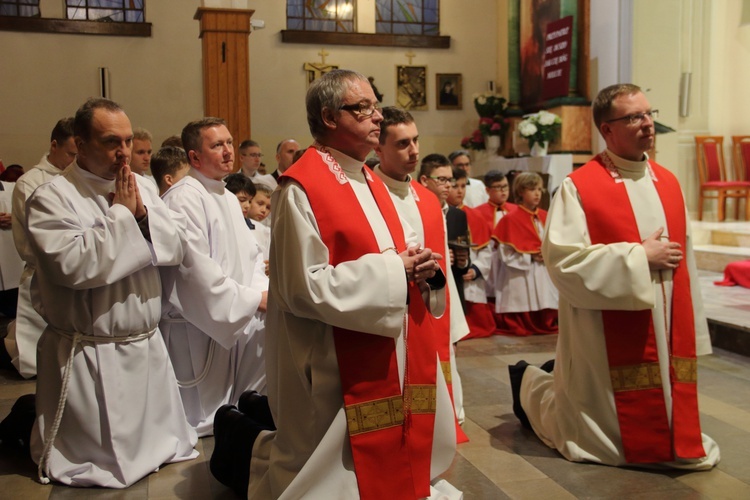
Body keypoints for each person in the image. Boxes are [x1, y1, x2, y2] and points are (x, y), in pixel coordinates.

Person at [211, 69, 460, 499]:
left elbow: (389, 255)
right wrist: (392, 271)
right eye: (362, 108)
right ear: (328, 117)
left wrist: (416, 269)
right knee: (326, 464)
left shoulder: (369, 180)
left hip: (378, 340)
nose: (377, 117)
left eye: (375, 106)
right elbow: (300, 286)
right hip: (327, 352)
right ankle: (240, 439)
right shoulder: (301, 187)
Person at [509, 84, 720, 470]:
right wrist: (639, 257)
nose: (647, 124)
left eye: (649, 114)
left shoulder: (669, 183)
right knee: (599, 419)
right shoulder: (579, 187)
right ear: (607, 130)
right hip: (604, 331)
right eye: (634, 117)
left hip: (666, 322)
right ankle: (528, 383)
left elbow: (684, 261)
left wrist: (696, 331)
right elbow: (563, 262)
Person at [23, 98, 198, 487]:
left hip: (144, 341)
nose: (123, 152)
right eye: (109, 142)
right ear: (80, 145)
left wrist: (140, 215)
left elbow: (176, 245)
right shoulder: (52, 197)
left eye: (127, 140)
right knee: (100, 454)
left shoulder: (145, 188)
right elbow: (75, 265)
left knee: (159, 443)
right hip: (90, 347)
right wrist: (122, 214)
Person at [159, 117, 269, 437]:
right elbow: (193, 271)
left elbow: (250, 258)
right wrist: (252, 300)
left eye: (229, 143)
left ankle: (242, 414)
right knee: (199, 414)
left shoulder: (224, 195)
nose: (227, 151)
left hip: (233, 311)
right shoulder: (184, 198)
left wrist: (262, 295)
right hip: (195, 325)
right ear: (194, 157)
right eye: (216, 145)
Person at [372, 106, 470, 436]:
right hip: (391, 310)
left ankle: (436, 428)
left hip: (431, 308)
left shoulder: (428, 200)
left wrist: (451, 322)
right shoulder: (367, 194)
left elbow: (442, 264)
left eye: (416, 140)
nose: (414, 151)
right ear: (378, 148)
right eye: (402, 144)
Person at [6, 118, 77, 379]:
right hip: (43, 269)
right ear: (54, 145)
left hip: (74, 269)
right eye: (71, 153)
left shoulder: (78, 177)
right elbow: (36, 237)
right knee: (39, 356)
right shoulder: (31, 182)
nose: (74, 160)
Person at [492, 172, 558, 335]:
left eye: (539, 189)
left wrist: (548, 253)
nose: (537, 193)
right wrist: (529, 256)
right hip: (522, 271)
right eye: (532, 189)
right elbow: (505, 253)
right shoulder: (510, 219)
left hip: (544, 269)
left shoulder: (545, 215)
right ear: (521, 191)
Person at [447, 167, 495, 339]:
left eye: (462, 186)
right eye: (455, 186)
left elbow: (486, 250)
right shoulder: (439, 213)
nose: (460, 191)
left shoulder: (476, 216)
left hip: (470, 278)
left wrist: (475, 269)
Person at [247, 183, 272, 261]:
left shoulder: (267, 232)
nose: (263, 210)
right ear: (249, 201)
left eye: (268, 207)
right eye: (260, 204)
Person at [130, 127, 156, 192]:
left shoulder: (153, 183)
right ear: (129, 153)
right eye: (140, 152)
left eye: (149, 152)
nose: (147, 158)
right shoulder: (119, 183)